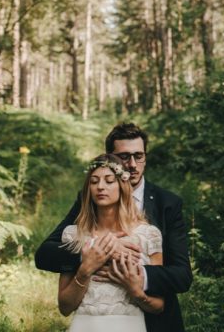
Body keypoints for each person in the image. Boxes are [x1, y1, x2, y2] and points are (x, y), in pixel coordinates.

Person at [35, 122, 192, 332]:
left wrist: (136, 277)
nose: (133, 164)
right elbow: (45, 254)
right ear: (110, 157)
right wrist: (95, 252)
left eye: (139, 156)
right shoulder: (89, 199)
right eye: (125, 157)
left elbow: (182, 275)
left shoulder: (168, 203)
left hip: (153, 322)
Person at [58, 153, 164, 331]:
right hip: (85, 325)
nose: (100, 187)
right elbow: (65, 307)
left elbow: (159, 305)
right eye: (94, 181)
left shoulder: (148, 235)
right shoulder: (72, 235)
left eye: (109, 180)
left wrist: (136, 291)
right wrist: (85, 270)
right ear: (88, 188)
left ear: (122, 185)